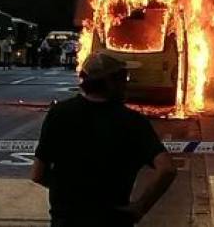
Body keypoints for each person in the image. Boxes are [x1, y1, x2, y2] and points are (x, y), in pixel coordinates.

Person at [31, 52, 177, 226]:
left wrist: (68, 192)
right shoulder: (132, 122)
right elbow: (167, 169)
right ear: (112, 82)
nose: (126, 84)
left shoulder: (59, 114)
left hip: (66, 219)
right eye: (124, 78)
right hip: (113, 219)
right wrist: (140, 207)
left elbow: (37, 174)